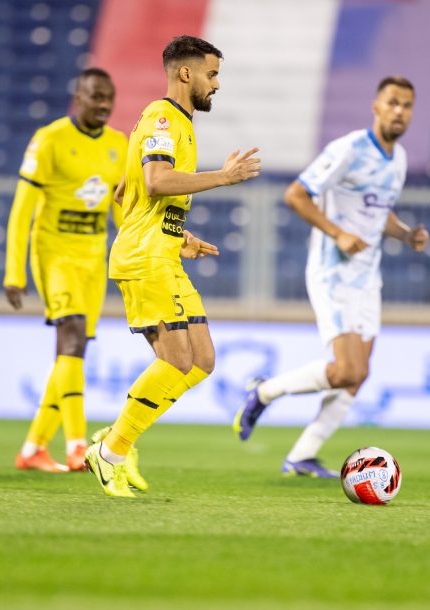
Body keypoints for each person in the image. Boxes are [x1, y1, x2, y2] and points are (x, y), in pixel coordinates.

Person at [84, 35, 261, 497]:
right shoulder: (164, 117)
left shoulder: (175, 122)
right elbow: (156, 180)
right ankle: (111, 451)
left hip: (161, 252)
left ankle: (116, 440)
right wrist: (223, 176)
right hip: (145, 260)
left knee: (201, 361)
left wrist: (177, 235)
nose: (216, 84)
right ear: (186, 73)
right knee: (177, 360)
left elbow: (127, 194)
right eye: (212, 73)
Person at [233, 76, 429, 478]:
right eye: (392, 102)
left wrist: (406, 234)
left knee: (358, 376)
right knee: (347, 370)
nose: (399, 111)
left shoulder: (400, 159)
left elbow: (379, 212)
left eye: (407, 105)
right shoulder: (349, 149)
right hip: (332, 272)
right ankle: (264, 391)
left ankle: (302, 455)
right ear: (376, 106)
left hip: (368, 278)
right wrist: (337, 232)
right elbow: (295, 194)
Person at [5, 67, 145, 485]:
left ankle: (32, 448)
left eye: (109, 98)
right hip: (54, 254)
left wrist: (137, 253)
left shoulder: (119, 146)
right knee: (71, 337)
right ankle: (78, 444)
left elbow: (122, 213)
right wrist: (15, 272)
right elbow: (21, 211)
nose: (103, 105)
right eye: (95, 97)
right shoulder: (48, 140)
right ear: (77, 97)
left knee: (73, 350)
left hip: (91, 259)